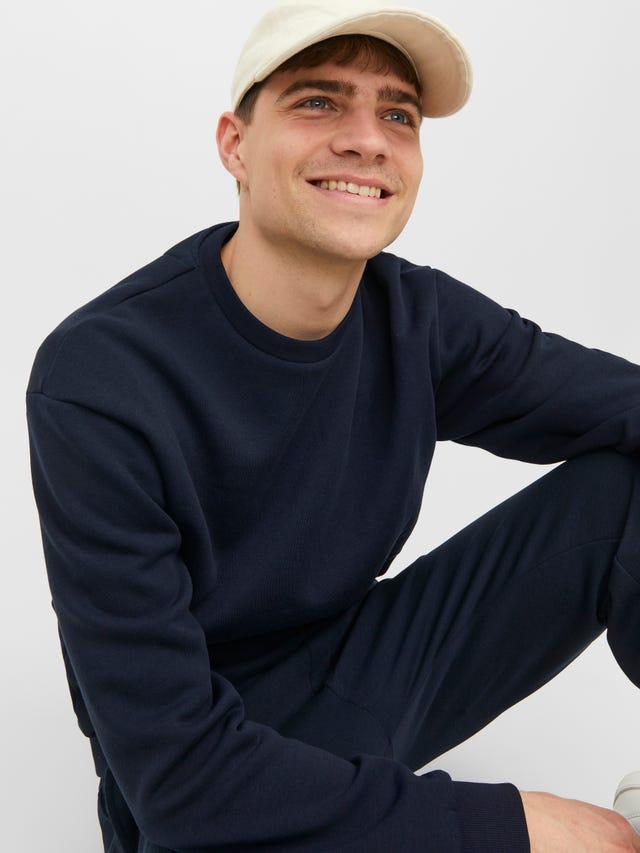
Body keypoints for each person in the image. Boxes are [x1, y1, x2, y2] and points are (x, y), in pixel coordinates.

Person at [26, 1, 640, 850]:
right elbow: (177, 784)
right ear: (235, 145)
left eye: (398, 114)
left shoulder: (416, 317)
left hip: (358, 680)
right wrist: (514, 824)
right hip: (204, 786)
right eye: (318, 102)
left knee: (625, 488)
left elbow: (624, 402)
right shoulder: (101, 378)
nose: (367, 139)